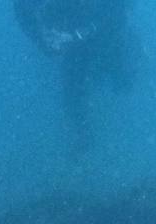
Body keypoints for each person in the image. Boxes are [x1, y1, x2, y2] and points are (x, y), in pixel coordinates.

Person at [13, 0, 138, 154]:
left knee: (122, 80)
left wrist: (82, 34)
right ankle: (86, 145)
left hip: (105, 33)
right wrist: (43, 41)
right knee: (74, 97)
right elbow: (23, 11)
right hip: (73, 42)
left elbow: (119, 11)